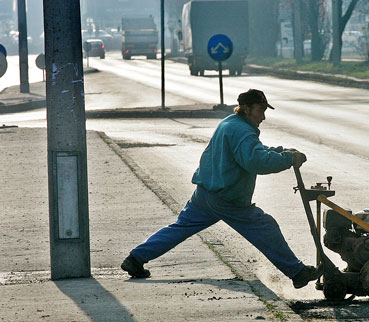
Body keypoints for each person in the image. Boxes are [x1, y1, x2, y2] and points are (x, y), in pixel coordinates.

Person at [121, 89, 319, 289]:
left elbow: (252, 151)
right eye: (260, 110)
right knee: (266, 227)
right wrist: (289, 159)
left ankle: (136, 258)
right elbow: (256, 161)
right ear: (246, 109)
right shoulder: (243, 131)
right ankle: (298, 272)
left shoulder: (230, 123)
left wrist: (281, 152)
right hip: (227, 198)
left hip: (205, 193)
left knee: (179, 228)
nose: (263, 116)